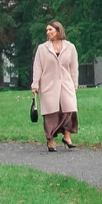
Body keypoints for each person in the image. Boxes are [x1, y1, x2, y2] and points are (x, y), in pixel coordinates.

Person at [30, 21, 80, 152]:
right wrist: (35, 84)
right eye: (47, 30)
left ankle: (67, 136)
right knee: (50, 113)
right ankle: (50, 140)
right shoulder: (42, 48)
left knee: (69, 109)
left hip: (66, 83)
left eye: (50, 30)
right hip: (48, 84)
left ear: (58, 31)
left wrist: (75, 84)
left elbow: (74, 67)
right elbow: (37, 67)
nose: (48, 32)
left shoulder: (70, 47)